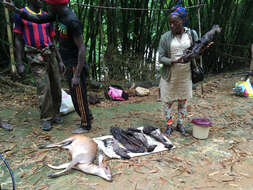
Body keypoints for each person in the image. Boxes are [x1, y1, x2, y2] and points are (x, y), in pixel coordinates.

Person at [4, 0, 92, 133]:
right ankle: (85, 117)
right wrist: (15, 10)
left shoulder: (71, 20)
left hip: (74, 62)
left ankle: (86, 124)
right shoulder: (57, 15)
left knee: (77, 93)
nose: (48, 6)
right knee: (71, 93)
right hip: (61, 60)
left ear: (57, 5)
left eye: (50, 4)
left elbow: (82, 48)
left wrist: (77, 74)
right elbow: (37, 18)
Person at [12, 0, 65, 131]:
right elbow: (18, 39)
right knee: (44, 87)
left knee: (56, 86)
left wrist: (60, 60)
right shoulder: (21, 14)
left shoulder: (47, 15)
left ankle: (56, 114)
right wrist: (19, 63)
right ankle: (46, 118)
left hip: (50, 54)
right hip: (35, 56)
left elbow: (52, 39)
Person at [158, 1, 198, 136]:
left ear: (183, 21)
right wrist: (173, 61)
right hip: (170, 75)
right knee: (168, 102)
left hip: (185, 74)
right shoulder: (165, 37)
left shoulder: (191, 34)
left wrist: (202, 49)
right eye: (170, 23)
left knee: (183, 101)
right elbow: (161, 58)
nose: (172, 25)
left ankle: (180, 125)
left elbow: (196, 50)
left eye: (175, 23)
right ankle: (169, 125)